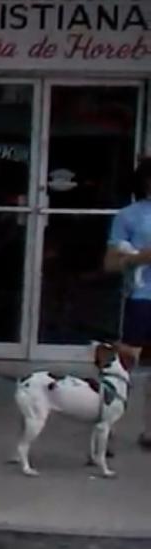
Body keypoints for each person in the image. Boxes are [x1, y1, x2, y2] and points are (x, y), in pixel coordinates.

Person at [109, 157, 151, 450]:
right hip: (142, 298)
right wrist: (140, 258)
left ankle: (150, 432)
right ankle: (105, 427)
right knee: (124, 366)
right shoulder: (129, 215)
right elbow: (110, 263)